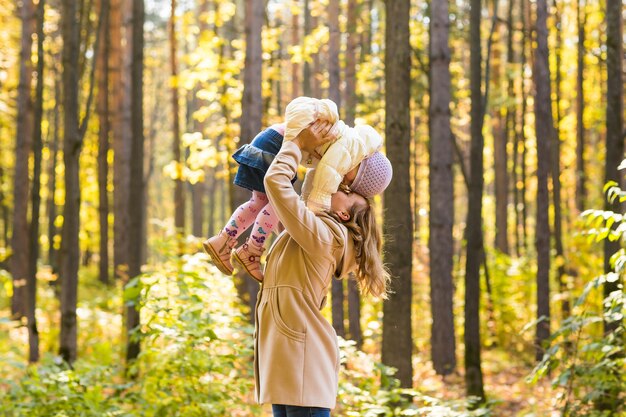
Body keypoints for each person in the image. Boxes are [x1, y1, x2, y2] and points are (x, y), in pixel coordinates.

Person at [256, 123, 392, 417]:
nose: (339, 185)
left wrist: (296, 140)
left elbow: (277, 183)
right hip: (287, 361)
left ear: (343, 213)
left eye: (345, 190)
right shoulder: (311, 230)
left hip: (303, 363)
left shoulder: (325, 237)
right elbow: (298, 202)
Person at [203, 97, 392, 282]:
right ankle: (251, 249)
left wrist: (306, 207)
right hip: (278, 144)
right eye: (352, 185)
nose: (346, 185)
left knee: (259, 203)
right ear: (362, 169)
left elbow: (314, 179)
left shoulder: (346, 149)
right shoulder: (347, 151)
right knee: (276, 205)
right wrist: (317, 210)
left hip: (272, 139)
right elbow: (324, 181)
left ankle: (223, 239)